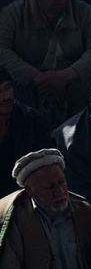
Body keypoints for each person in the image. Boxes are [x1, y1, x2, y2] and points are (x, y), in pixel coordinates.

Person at [0, 0, 91, 128]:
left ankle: (84, 127)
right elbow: (2, 51)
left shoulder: (82, 11)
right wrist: (36, 77)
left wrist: (66, 75)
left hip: (72, 86)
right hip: (30, 87)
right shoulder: (13, 13)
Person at [0, 65, 49, 196]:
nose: (5, 97)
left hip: (26, 194)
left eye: (7, 88)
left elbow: (44, 165)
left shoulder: (31, 119)